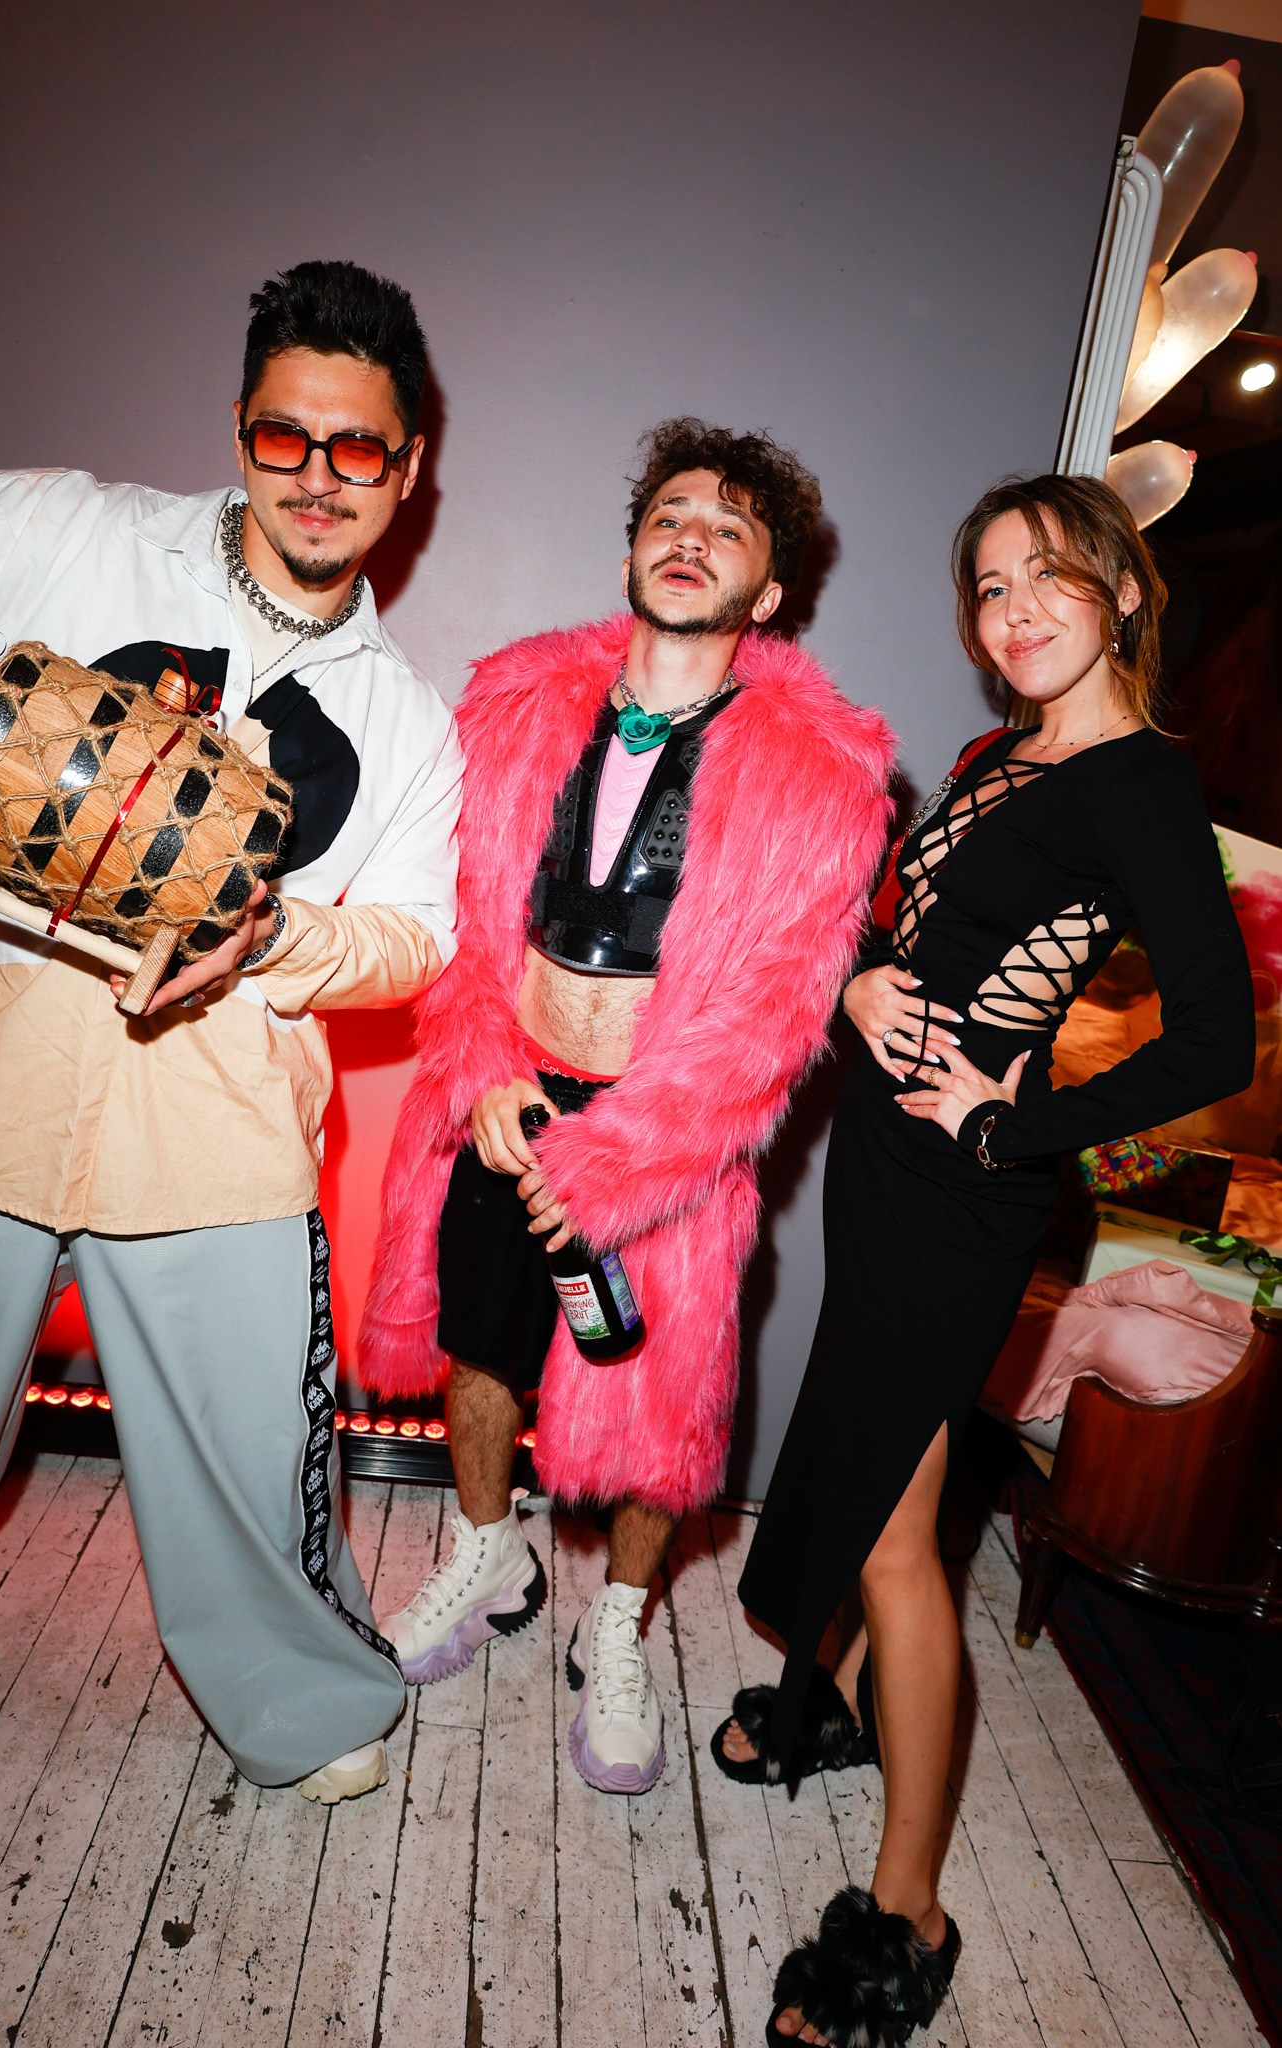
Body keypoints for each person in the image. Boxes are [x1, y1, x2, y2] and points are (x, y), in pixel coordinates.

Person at [716, 473, 1256, 2046]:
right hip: (883, 1161)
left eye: (1049, 577)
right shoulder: (995, 755)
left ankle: (909, 1914)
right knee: (861, 1440)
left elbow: (1212, 1040)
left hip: (963, 1191)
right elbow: (919, 927)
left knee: (899, 1529)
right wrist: (861, 983)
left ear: (1124, 593)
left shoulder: (1142, 785)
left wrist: (1014, 1128)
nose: (1011, 613)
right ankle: (824, 1709)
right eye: (988, 586)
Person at [0, 260, 464, 1805]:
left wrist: (276, 937)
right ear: (239, 429)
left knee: (252, 1470)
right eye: (284, 436)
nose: (317, 477)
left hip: (216, 1128)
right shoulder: (63, 530)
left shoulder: (407, 719)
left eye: (356, 447)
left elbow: (414, 941)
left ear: (407, 465)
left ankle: (298, 1698)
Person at [360, 418, 894, 1793]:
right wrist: (481, 1064)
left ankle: (619, 1625)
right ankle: (488, 1554)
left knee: (659, 1405)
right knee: (480, 1341)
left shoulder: (824, 776)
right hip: (504, 1095)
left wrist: (622, 1157)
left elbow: (775, 1015)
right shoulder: (512, 708)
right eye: (669, 515)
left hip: (668, 1137)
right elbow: (453, 917)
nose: (690, 538)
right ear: (629, 553)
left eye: (728, 526)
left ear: (768, 591)